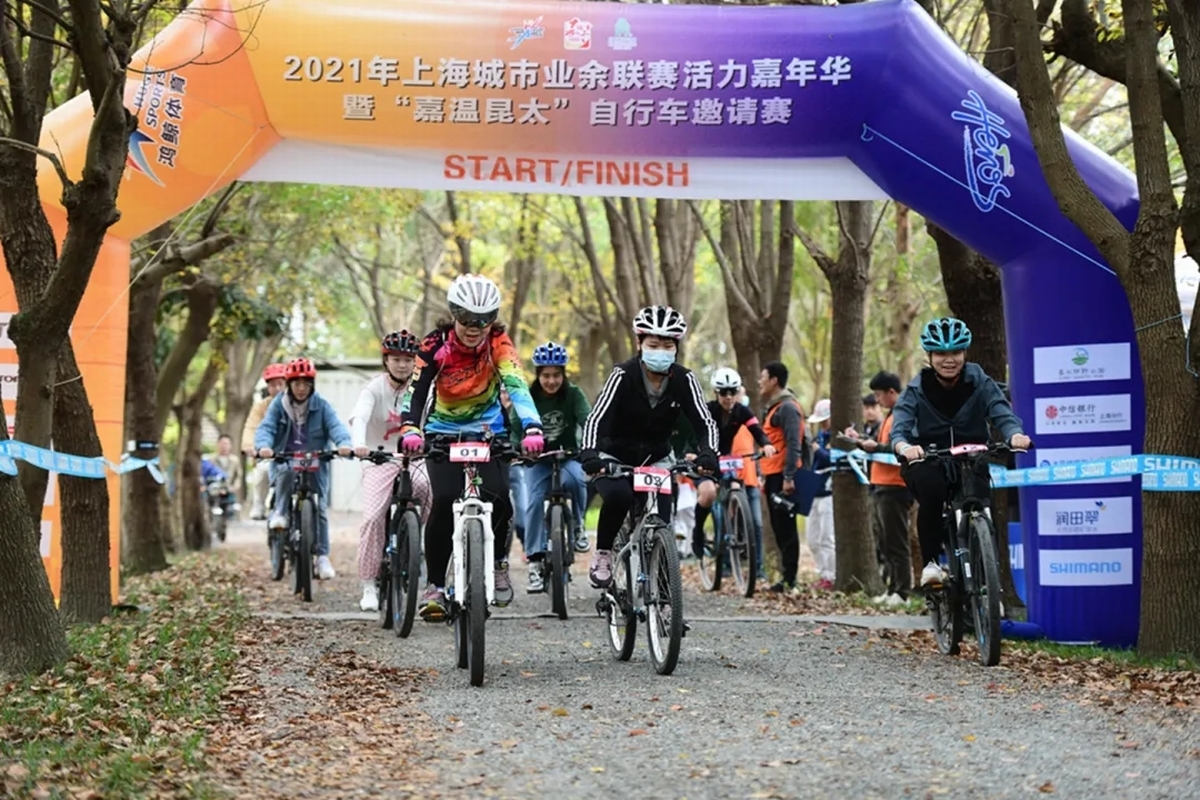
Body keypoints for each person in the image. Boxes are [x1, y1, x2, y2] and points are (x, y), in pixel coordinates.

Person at [399, 274, 544, 621]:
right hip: (442, 432)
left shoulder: (499, 344)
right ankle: (435, 586)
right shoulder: (435, 344)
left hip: (489, 433)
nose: (474, 328)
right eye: (466, 318)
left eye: (483, 319)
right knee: (444, 500)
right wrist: (410, 427)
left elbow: (517, 385)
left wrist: (532, 426)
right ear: (454, 314)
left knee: (500, 498)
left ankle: (498, 563)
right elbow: (416, 390)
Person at [580, 305, 719, 589]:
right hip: (614, 455)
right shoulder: (622, 375)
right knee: (619, 497)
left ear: (676, 348)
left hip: (657, 457)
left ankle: (665, 590)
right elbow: (596, 418)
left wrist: (708, 453)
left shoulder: (685, 379)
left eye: (667, 346)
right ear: (639, 344)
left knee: (663, 520)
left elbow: (705, 422)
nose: (661, 352)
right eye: (653, 345)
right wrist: (590, 454)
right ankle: (604, 553)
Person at [890, 318, 1031, 588]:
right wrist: (905, 447)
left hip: (971, 456)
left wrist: (1014, 434)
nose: (949, 360)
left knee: (983, 502)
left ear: (964, 353)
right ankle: (931, 564)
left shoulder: (979, 381)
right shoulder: (917, 389)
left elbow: (1001, 411)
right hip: (929, 458)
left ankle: (987, 582)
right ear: (930, 356)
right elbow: (899, 429)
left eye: (955, 352)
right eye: (941, 354)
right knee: (932, 495)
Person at [349, 330, 433, 612]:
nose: (402, 365)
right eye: (396, 359)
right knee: (373, 517)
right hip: (379, 458)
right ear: (386, 361)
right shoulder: (374, 388)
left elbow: (435, 417)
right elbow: (360, 416)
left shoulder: (424, 388)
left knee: (428, 490)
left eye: (408, 359)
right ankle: (368, 583)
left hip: (415, 457)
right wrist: (359, 445)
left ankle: (415, 538)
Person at [254, 357, 353, 581]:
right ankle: (281, 511)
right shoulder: (278, 405)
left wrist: (344, 444)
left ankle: (322, 556)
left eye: (306, 384)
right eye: (296, 383)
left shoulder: (322, 405)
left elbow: (336, 426)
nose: (301, 388)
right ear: (289, 385)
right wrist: (264, 446)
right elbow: (266, 428)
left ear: (312, 385)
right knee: (286, 472)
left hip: (316, 460)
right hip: (286, 459)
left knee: (320, 508)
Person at [517, 341, 592, 593]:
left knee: (579, 480)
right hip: (537, 461)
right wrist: (518, 446)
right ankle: (534, 560)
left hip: (568, 456)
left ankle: (579, 526)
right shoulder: (527, 397)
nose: (551, 381)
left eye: (556, 375)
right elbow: (515, 426)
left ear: (564, 375)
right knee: (533, 501)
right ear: (538, 375)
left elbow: (587, 420)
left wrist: (591, 445)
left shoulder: (574, 394)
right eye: (546, 375)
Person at [690, 367, 775, 559]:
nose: (728, 397)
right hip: (703, 460)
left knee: (736, 485)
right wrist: (691, 453)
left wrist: (766, 444)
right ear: (716, 393)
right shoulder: (707, 410)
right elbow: (692, 433)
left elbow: (756, 430)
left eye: (732, 392)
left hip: (724, 461)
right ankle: (698, 532)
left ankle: (735, 531)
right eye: (723, 393)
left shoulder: (742, 411)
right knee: (708, 493)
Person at [757, 361, 807, 593]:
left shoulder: (787, 407)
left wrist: (789, 476)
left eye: (763, 377)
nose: (760, 381)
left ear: (774, 380)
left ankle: (790, 580)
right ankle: (785, 577)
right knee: (779, 528)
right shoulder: (774, 407)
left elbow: (794, 443)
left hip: (784, 476)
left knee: (787, 528)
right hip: (772, 474)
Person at [243, 363, 288, 519]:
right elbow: (251, 427)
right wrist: (249, 446)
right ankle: (259, 504)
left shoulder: (297, 404)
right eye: (273, 385)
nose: (277, 388)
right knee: (262, 472)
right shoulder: (261, 407)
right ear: (267, 388)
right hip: (268, 453)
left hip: (293, 451)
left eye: (280, 384)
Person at [806, 398, 836, 590]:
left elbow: (830, 459)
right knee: (812, 539)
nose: (823, 425)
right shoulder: (819, 437)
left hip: (828, 493)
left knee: (827, 537)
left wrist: (817, 450)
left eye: (825, 421)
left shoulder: (835, 438)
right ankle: (822, 571)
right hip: (813, 491)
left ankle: (830, 576)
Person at [211, 433, 243, 508]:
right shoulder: (211, 460)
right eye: (222, 443)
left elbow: (238, 476)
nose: (224, 446)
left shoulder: (235, 460)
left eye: (227, 444)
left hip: (229, 489)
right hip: (215, 490)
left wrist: (235, 487)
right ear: (218, 444)